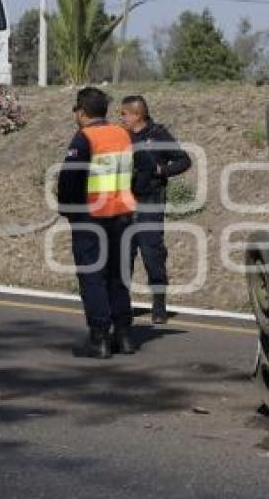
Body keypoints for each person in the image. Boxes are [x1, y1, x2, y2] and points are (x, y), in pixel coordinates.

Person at [57, 87, 137, 358]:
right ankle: (124, 335)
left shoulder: (84, 138)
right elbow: (140, 170)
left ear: (81, 112)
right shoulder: (122, 133)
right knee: (118, 275)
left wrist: (68, 212)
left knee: (93, 277)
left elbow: (69, 181)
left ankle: (99, 338)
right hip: (123, 215)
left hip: (92, 218)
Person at [119, 95, 191, 324]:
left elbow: (183, 161)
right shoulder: (122, 136)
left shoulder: (158, 134)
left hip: (150, 202)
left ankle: (159, 304)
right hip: (124, 203)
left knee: (152, 255)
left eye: (124, 113)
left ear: (137, 114)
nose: (121, 118)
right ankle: (122, 304)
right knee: (123, 255)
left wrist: (161, 171)